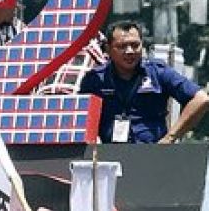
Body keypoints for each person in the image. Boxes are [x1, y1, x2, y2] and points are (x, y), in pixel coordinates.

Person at [78, 21, 209, 144]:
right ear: (108, 49)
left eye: (135, 45)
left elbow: (201, 99)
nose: (130, 51)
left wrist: (170, 138)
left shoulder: (157, 72)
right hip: (109, 155)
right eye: (122, 46)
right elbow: (79, 117)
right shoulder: (95, 79)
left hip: (152, 154)